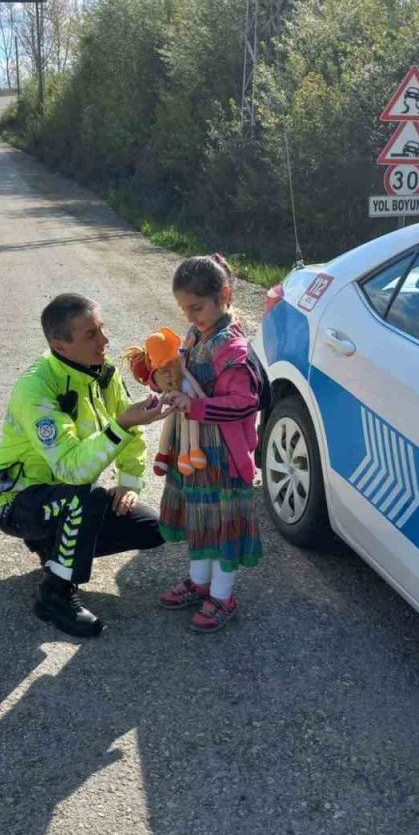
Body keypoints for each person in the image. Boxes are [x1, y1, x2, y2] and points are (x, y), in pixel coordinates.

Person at [0, 293, 168, 638]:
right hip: (18, 500)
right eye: (90, 335)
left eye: (102, 329)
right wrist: (121, 426)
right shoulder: (36, 388)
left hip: (66, 494)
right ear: (61, 345)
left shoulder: (103, 373)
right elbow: (72, 469)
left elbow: (131, 425)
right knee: (85, 496)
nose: (104, 341)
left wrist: (128, 482)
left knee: (155, 528)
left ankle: (54, 551)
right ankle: (54, 594)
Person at [157, 254, 264, 632]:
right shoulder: (195, 335)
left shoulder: (232, 349)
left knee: (223, 531)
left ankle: (222, 596)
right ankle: (199, 583)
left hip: (224, 458)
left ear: (225, 295)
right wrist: (164, 378)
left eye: (197, 307)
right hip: (196, 455)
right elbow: (182, 370)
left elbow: (245, 403)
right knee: (201, 522)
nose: (190, 316)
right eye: (185, 308)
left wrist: (196, 406)